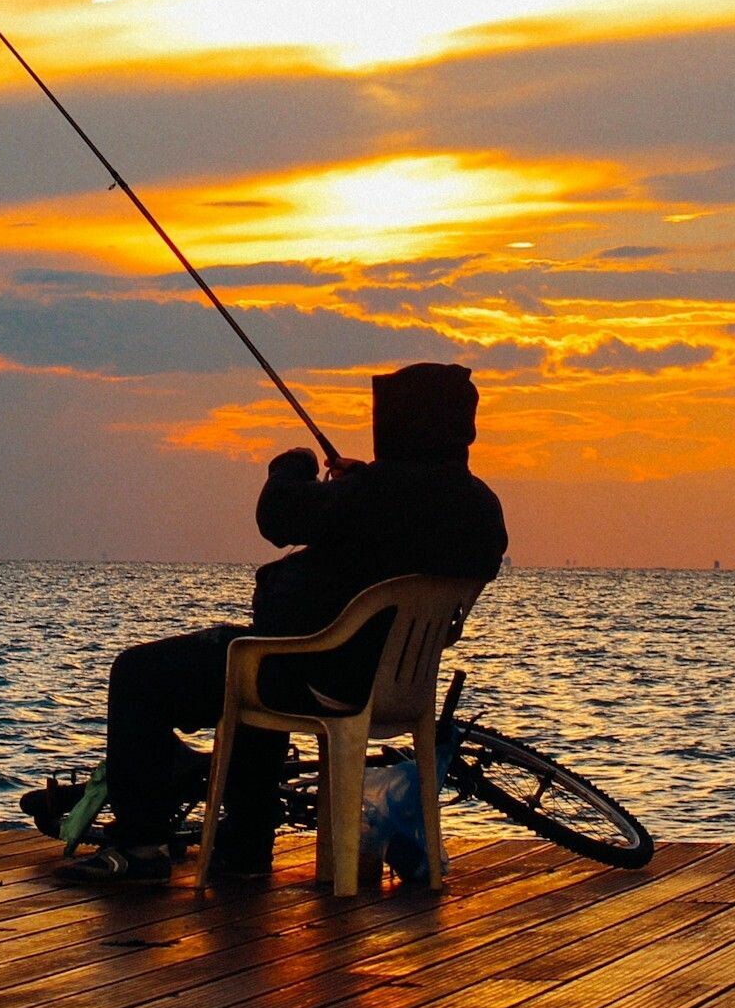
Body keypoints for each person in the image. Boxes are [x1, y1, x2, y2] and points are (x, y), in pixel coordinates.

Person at [56, 362, 508, 886]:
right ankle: (242, 850)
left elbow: (279, 516)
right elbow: (401, 518)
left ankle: (140, 846)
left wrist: (292, 466)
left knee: (138, 673)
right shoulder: (478, 506)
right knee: (262, 653)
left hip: (315, 675)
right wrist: (360, 483)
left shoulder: (371, 497)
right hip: (388, 688)